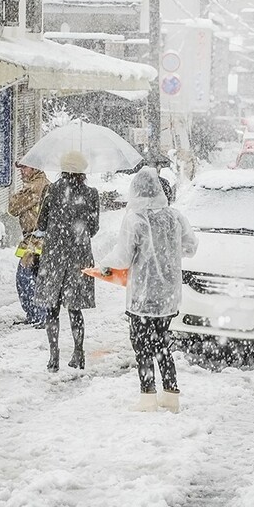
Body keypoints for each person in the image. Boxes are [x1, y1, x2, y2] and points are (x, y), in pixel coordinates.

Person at [101, 167, 198, 413]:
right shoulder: (175, 217)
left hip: (142, 297)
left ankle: (147, 398)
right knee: (162, 344)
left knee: (142, 346)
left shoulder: (135, 220)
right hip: (167, 296)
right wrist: (170, 252)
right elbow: (191, 247)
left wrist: (105, 265)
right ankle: (171, 394)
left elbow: (122, 258)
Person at [34, 150, 99, 372]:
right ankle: (78, 352)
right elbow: (94, 228)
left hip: (54, 257)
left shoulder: (52, 190)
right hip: (79, 257)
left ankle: (54, 356)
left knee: (52, 307)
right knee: (75, 308)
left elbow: (41, 224)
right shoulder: (91, 194)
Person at [8, 161, 49, 327]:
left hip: (35, 242)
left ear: (35, 168)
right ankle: (39, 315)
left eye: (24, 167)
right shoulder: (43, 184)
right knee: (37, 277)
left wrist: (16, 197)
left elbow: (13, 208)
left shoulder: (35, 187)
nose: (21, 172)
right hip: (35, 240)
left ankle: (38, 315)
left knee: (25, 278)